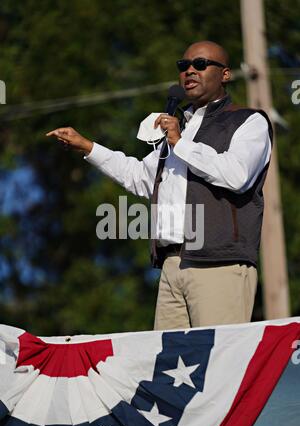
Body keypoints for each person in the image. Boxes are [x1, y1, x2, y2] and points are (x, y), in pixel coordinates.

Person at [47, 41, 272, 331]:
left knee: (218, 366)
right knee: (168, 370)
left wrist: (180, 143)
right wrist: (88, 147)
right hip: (171, 265)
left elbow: (237, 175)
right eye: (184, 66)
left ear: (225, 74)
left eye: (201, 64)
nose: (190, 70)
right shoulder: (180, 128)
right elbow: (140, 177)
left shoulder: (248, 121)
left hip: (220, 263)